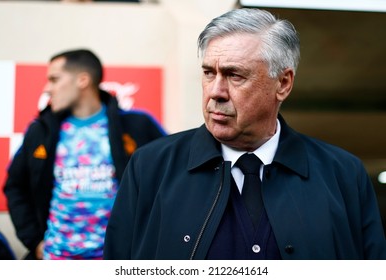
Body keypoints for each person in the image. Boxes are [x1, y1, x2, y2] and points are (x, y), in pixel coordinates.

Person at [103, 8, 386, 260]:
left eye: (234, 75)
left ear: (283, 84)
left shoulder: (343, 174)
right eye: (208, 73)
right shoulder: (151, 167)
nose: (216, 91)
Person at [3, 48, 166, 260]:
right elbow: (15, 186)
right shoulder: (41, 131)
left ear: (82, 80)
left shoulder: (137, 126)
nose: (47, 88)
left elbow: (172, 180)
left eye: (54, 79)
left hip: (118, 261)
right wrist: (34, 241)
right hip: (56, 259)